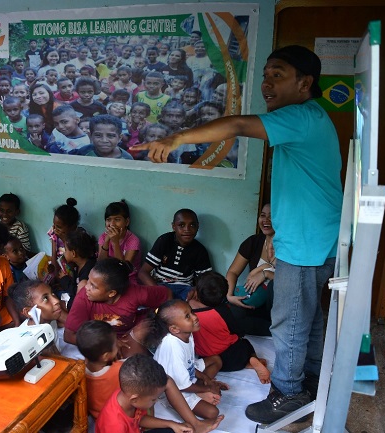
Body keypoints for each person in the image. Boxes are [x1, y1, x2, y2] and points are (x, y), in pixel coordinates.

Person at [134, 45, 342, 424]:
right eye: (265, 75)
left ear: (305, 83)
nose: (266, 84)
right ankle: (309, 380)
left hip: (305, 246)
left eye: (277, 75)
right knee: (308, 319)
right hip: (316, 241)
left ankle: (288, 394)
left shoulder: (301, 116)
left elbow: (238, 125)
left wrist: (176, 139)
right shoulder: (311, 118)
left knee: (289, 322)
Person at [64, 258, 171, 358]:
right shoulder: (84, 297)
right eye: (88, 280)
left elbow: (167, 294)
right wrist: (107, 343)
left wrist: (155, 319)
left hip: (131, 334)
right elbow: (69, 336)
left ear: (111, 293)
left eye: (93, 286)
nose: (86, 287)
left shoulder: (135, 293)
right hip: (101, 339)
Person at [95, 354, 224, 433]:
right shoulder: (114, 425)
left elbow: (139, 419)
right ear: (134, 399)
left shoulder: (129, 398)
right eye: (153, 399)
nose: (156, 401)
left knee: (178, 430)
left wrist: (172, 424)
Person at [146, 300, 224, 422]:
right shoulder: (173, 346)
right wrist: (208, 388)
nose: (195, 317)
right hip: (172, 391)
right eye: (187, 316)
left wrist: (206, 379)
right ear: (174, 329)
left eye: (191, 312)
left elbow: (189, 363)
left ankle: (198, 389)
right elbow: (181, 386)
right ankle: (196, 392)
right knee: (212, 413)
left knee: (215, 360)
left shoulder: (186, 333)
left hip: (184, 376)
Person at [190, 272, 270, 384]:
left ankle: (249, 363)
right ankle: (252, 359)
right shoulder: (223, 311)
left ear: (197, 293)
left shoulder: (188, 312)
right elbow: (238, 331)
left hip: (209, 360)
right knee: (245, 343)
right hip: (233, 357)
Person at [138, 209, 212, 301]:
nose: (187, 229)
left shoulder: (200, 250)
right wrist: (159, 292)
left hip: (184, 289)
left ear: (198, 227)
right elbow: (143, 272)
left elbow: (205, 281)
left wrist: (195, 290)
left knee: (196, 303)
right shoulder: (164, 241)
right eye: (181, 225)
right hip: (159, 285)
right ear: (173, 226)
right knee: (141, 299)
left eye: (192, 225)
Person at [225, 203, 275, 336]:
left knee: (273, 286)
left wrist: (265, 274)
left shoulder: (289, 247)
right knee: (232, 314)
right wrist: (230, 296)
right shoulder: (253, 242)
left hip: (275, 308)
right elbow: (233, 272)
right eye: (263, 215)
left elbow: (290, 281)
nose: (266, 220)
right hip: (252, 301)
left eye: (271, 216)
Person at [9, 279, 80, 358]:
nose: (56, 300)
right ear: (29, 312)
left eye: (52, 294)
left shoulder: (49, 319)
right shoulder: (29, 341)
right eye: (45, 299)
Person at [98, 200, 140, 283]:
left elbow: (123, 270)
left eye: (117, 220)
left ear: (127, 222)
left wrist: (115, 243)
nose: (112, 224)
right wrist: (106, 241)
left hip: (127, 279)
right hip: (107, 277)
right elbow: (100, 264)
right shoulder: (103, 237)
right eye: (108, 220)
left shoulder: (133, 240)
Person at [59, 229, 96, 306]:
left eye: (65, 250)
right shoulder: (78, 264)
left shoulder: (88, 272)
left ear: (73, 253)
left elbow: (78, 292)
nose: (64, 253)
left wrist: (64, 280)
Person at [48, 197, 81, 280]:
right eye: (54, 224)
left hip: (73, 271)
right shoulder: (54, 232)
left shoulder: (79, 236)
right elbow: (54, 256)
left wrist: (64, 239)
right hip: (59, 269)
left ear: (72, 227)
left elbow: (73, 261)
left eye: (59, 227)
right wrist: (55, 275)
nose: (55, 228)